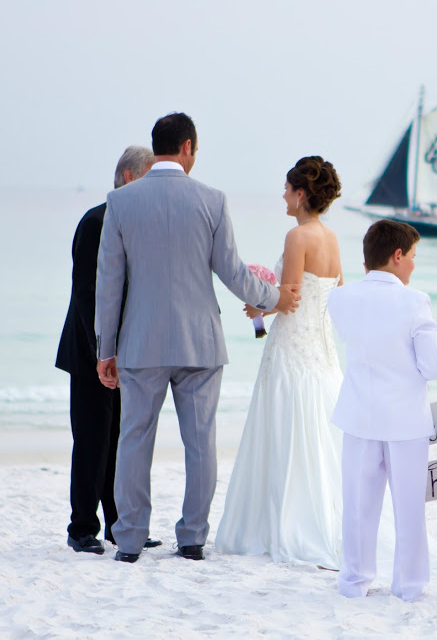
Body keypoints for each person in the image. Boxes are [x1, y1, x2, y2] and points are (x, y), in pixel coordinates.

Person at [95, 112, 300, 563]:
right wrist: (274, 298)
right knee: (200, 442)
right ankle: (191, 538)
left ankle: (129, 539)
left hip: (140, 343)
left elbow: (108, 284)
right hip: (200, 344)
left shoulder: (121, 201)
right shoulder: (212, 200)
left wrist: (104, 350)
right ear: (187, 147)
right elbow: (232, 272)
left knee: (133, 440)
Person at [216, 155, 344, 569]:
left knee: (286, 429)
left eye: (288, 189)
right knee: (321, 435)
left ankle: (287, 525)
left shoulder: (298, 237)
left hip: (292, 349)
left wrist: (259, 305)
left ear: (301, 194)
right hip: (322, 352)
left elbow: (288, 296)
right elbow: (334, 293)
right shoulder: (331, 237)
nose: (283, 196)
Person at [327, 219, 437, 602]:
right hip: (405, 419)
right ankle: (410, 586)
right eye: (412, 256)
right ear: (397, 256)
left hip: (359, 414)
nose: (414, 264)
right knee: (409, 508)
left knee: (359, 506)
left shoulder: (341, 298)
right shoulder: (415, 301)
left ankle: (354, 581)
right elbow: (433, 366)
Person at [56, 145, 156, 555]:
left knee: (120, 441)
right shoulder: (97, 220)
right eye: (150, 179)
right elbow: (86, 296)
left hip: (124, 353)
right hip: (89, 352)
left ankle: (119, 525)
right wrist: (104, 352)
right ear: (130, 178)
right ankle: (81, 528)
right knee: (93, 441)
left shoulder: (134, 224)